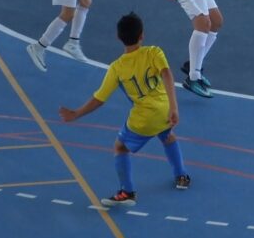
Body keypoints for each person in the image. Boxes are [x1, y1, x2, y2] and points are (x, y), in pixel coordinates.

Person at [59, 12, 190, 207]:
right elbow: (167, 74)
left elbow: (100, 99)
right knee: (167, 135)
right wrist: (174, 107)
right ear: (142, 35)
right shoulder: (154, 52)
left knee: (120, 147)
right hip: (164, 110)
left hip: (143, 119)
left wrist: (76, 113)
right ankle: (181, 176)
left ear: (119, 38)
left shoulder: (117, 68)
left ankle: (127, 191)